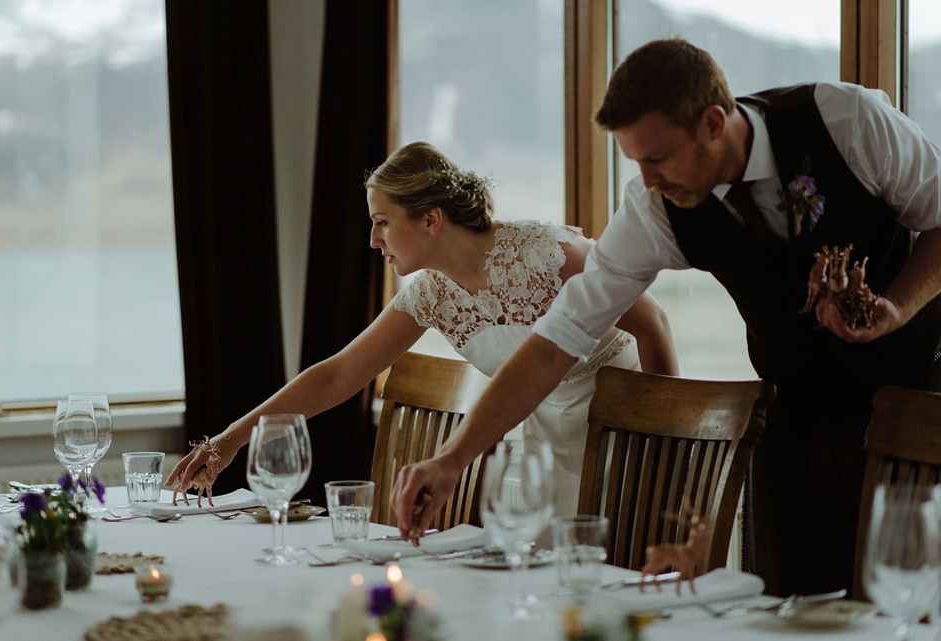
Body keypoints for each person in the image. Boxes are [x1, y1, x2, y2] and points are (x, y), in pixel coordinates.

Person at [392, 39, 941, 597]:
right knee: (788, 612)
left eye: (657, 158)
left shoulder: (846, 121)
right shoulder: (655, 211)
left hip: (919, 394)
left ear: (712, 123)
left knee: (915, 599)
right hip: (796, 415)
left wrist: (895, 307)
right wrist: (452, 460)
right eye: (635, 161)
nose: (647, 179)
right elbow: (554, 343)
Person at [166, 141, 678, 519]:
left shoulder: (543, 254)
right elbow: (339, 374)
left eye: (382, 222)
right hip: (543, 453)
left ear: (431, 220)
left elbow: (653, 324)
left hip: (624, 442)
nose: (372, 240)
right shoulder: (430, 293)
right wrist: (231, 442)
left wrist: (663, 450)